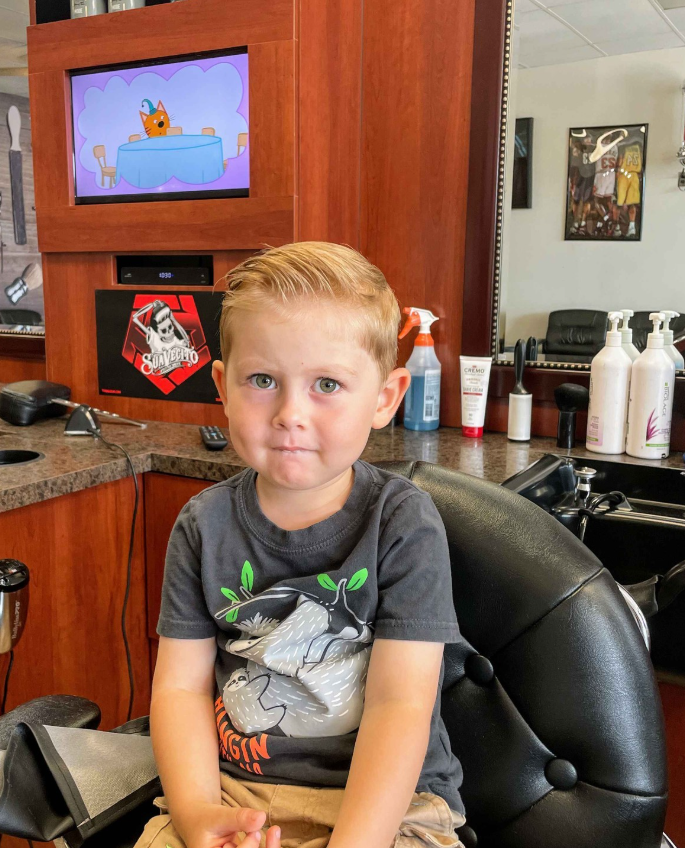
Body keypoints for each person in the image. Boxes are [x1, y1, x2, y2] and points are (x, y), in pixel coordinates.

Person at [136, 242, 465, 848]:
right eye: (262, 380)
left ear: (385, 399)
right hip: (237, 793)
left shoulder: (403, 524)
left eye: (327, 384)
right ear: (222, 386)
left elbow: (399, 706)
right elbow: (180, 689)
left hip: (387, 806)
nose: (290, 412)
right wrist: (196, 813)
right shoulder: (201, 525)